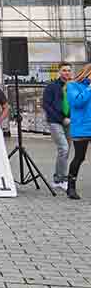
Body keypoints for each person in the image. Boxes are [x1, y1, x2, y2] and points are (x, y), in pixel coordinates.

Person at [42, 63, 72, 190]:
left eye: (69, 70)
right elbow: (46, 105)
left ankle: (57, 179)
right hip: (55, 121)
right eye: (64, 70)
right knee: (64, 148)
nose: (67, 73)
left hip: (70, 122)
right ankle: (63, 179)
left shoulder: (73, 87)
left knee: (64, 151)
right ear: (59, 72)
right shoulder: (51, 87)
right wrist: (62, 119)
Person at [65, 63, 91, 200]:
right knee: (79, 157)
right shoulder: (72, 86)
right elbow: (77, 102)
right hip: (82, 127)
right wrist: (89, 88)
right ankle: (71, 187)